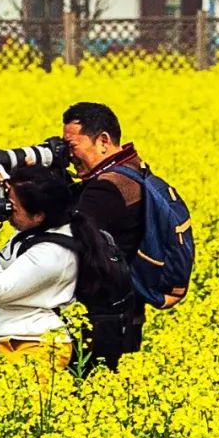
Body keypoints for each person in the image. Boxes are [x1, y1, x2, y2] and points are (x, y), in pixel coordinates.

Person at [0, 165, 120, 374]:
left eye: (12, 207)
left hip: (38, 346)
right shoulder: (37, 231)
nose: (6, 210)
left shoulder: (52, 253)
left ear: (39, 216)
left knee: (28, 405)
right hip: (22, 339)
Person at [60, 101, 147, 364]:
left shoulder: (109, 188)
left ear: (103, 141)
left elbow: (66, 240)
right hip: (122, 314)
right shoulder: (134, 168)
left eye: (72, 146)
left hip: (101, 320)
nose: (68, 156)